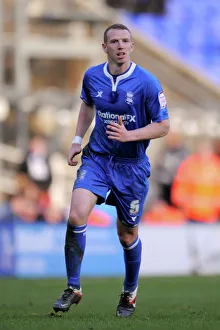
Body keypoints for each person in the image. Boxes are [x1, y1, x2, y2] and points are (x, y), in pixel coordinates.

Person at [52, 23, 170, 317]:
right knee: (76, 214)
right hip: (98, 159)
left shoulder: (147, 83)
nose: (120, 45)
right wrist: (77, 139)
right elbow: (87, 107)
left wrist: (131, 135)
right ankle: (73, 287)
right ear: (104, 47)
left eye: (125, 41)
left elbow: (164, 125)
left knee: (127, 235)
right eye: (114, 41)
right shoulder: (92, 76)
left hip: (131, 167)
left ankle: (129, 293)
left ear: (132, 46)